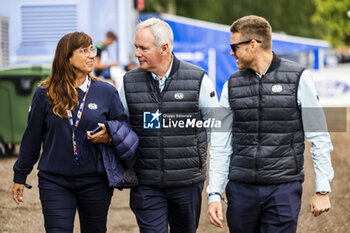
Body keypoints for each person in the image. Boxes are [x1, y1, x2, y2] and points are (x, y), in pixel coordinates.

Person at [207, 15, 334, 233]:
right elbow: (220, 144)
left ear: (253, 45)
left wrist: (322, 189)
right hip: (241, 190)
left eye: (234, 47)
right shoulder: (231, 85)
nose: (231, 52)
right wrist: (214, 193)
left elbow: (319, 136)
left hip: (283, 189)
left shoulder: (298, 78)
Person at [12, 32, 138, 233]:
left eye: (92, 50)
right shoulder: (44, 93)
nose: (91, 55)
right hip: (54, 180)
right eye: (84, 50)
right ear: (67, 57)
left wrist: (110, 134)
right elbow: (32, 138)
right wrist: (20, 175)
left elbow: (123, 127)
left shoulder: (106, 92)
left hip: (96, 181)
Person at [118, 17, 219, 233]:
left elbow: (214, 125)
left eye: (143, 48)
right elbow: (122, 126)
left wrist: (194, 152)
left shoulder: (198, 79)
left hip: (187, 183)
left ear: (164, 48)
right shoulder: (128, 83)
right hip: (146, 184)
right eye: (136, 47)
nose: (137, 53)